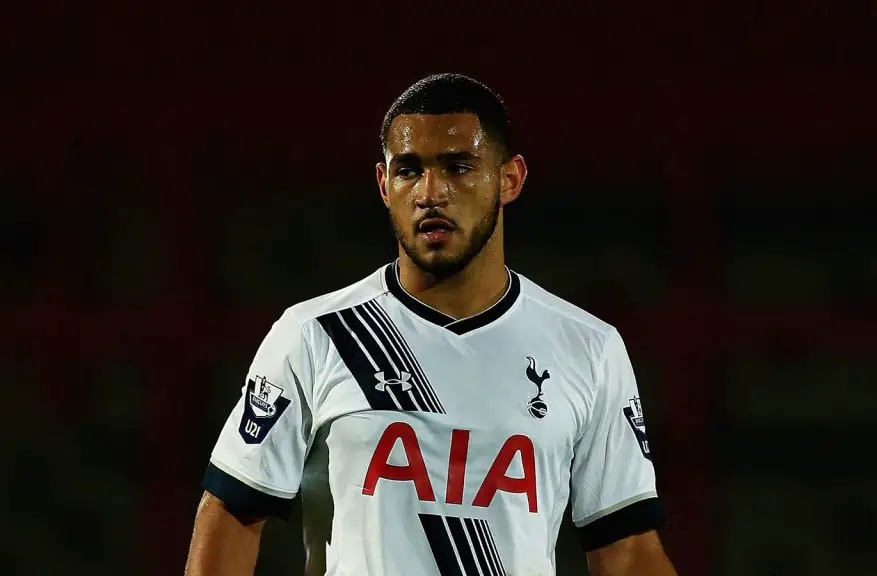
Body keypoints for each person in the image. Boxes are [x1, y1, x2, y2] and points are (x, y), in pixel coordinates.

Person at [185, 73, 676, 576]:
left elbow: (628, 548)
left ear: (510, 179)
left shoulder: (588, 349)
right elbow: (230, 515)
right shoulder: (315, 335)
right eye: (409, 170)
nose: (430, 192)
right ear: (383, 184)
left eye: (458, 167)